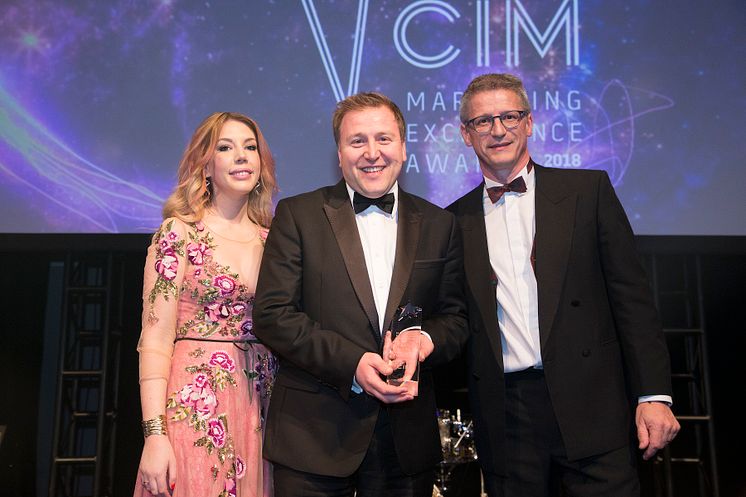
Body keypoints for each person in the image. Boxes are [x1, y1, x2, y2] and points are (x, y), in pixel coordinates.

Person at [447, 73, 680, 496]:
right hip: (507, 415)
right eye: (483, 122)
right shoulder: (450, 221)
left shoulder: (587, 192)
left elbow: (633, 301)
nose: (498, 130)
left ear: (530, 123)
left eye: (509, 117)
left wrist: (654, 395)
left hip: (593, 402)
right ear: (466, 134)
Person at [252, 92, 468, 497]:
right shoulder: (298, 215)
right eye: (357, 141)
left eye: (384, 139)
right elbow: (273, 314)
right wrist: (353, 363)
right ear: (339, 153)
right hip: (313, 438)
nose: (372, 153)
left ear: (403, 147)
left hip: (405, 443)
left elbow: (456, 319)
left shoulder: (441, 224)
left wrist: (423, 340)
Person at [134, 112, 278, 497]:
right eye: (226, 148)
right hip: (196, 408)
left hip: (262, 410)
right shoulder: (178, 233)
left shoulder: (275, 240)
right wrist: (154, 436)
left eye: (250, 148)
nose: (242, 156)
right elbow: (155, 338)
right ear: (206, 164)